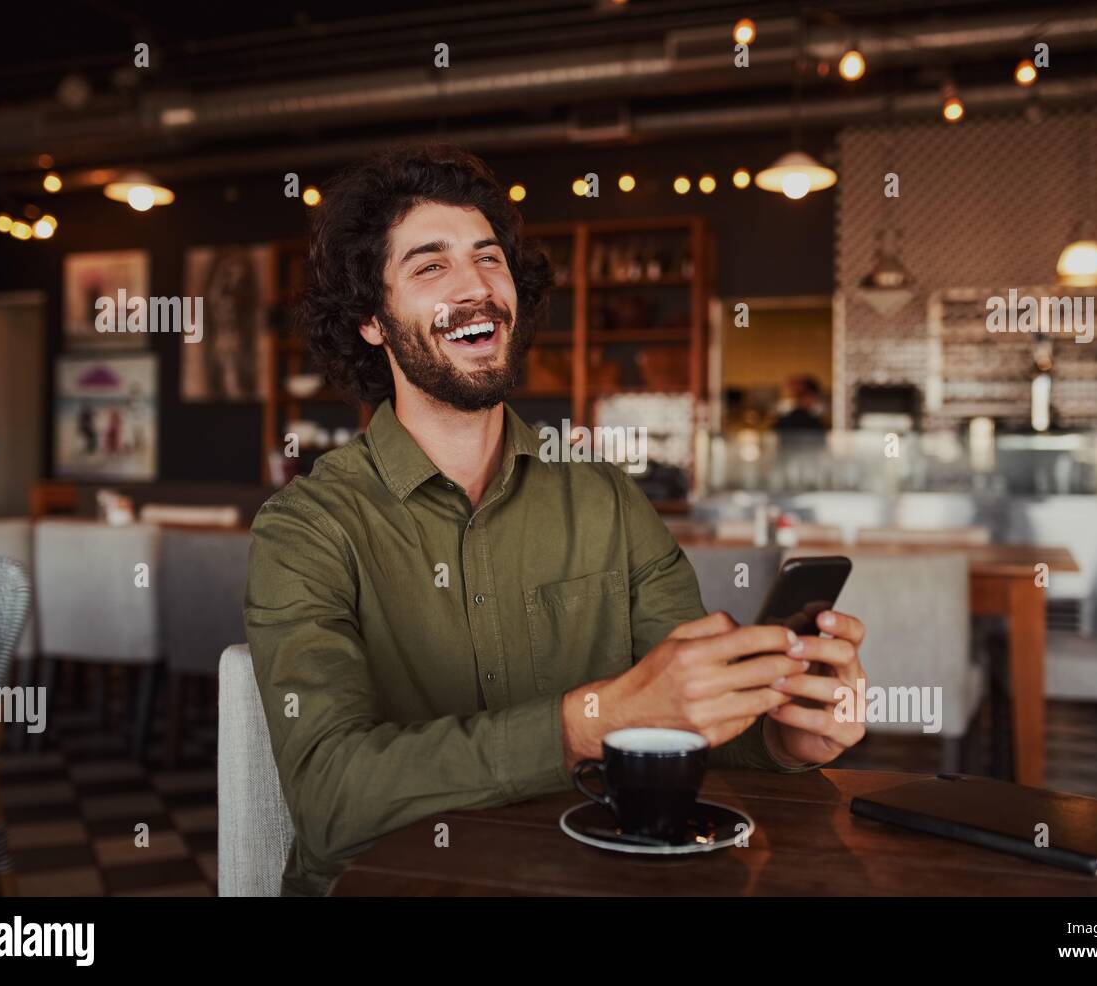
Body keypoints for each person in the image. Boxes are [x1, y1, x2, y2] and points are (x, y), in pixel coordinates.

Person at [244, 145, 868, 896]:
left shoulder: (604, 499)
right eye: (429, 266)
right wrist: (583, 724)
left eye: (489, 258)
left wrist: (784, 735)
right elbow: (330, 798)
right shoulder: (306, 530)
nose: (475, 285)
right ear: (373, 322)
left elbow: (688, 719)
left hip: (587, 879)